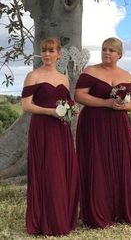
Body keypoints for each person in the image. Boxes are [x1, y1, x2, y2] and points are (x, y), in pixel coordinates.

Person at [74, 37, 131, 228]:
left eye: (111, 50)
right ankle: (99, 210)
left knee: (123, 162)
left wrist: (124, 106)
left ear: (119, 54)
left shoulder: (126, 75)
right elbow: (79, 95)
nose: (106, 53)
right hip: (93, 125)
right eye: (104, 49)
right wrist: (106, 103)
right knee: (97, 164)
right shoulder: (91, 71)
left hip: (118, 125)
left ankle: (122, 208)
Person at [21, 37, 79, 236]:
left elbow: (67, 103)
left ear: (58, 54)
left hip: (61, 130)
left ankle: (61, 216)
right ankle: (45, 220)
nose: (47, 54)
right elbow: (26, 105)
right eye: (44, 50)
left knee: (62, 171)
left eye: (51, 51)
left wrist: (73, 110)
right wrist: (50, 112)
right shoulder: (33, 76)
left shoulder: (64, 78)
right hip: (43, 128)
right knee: (47, 171)